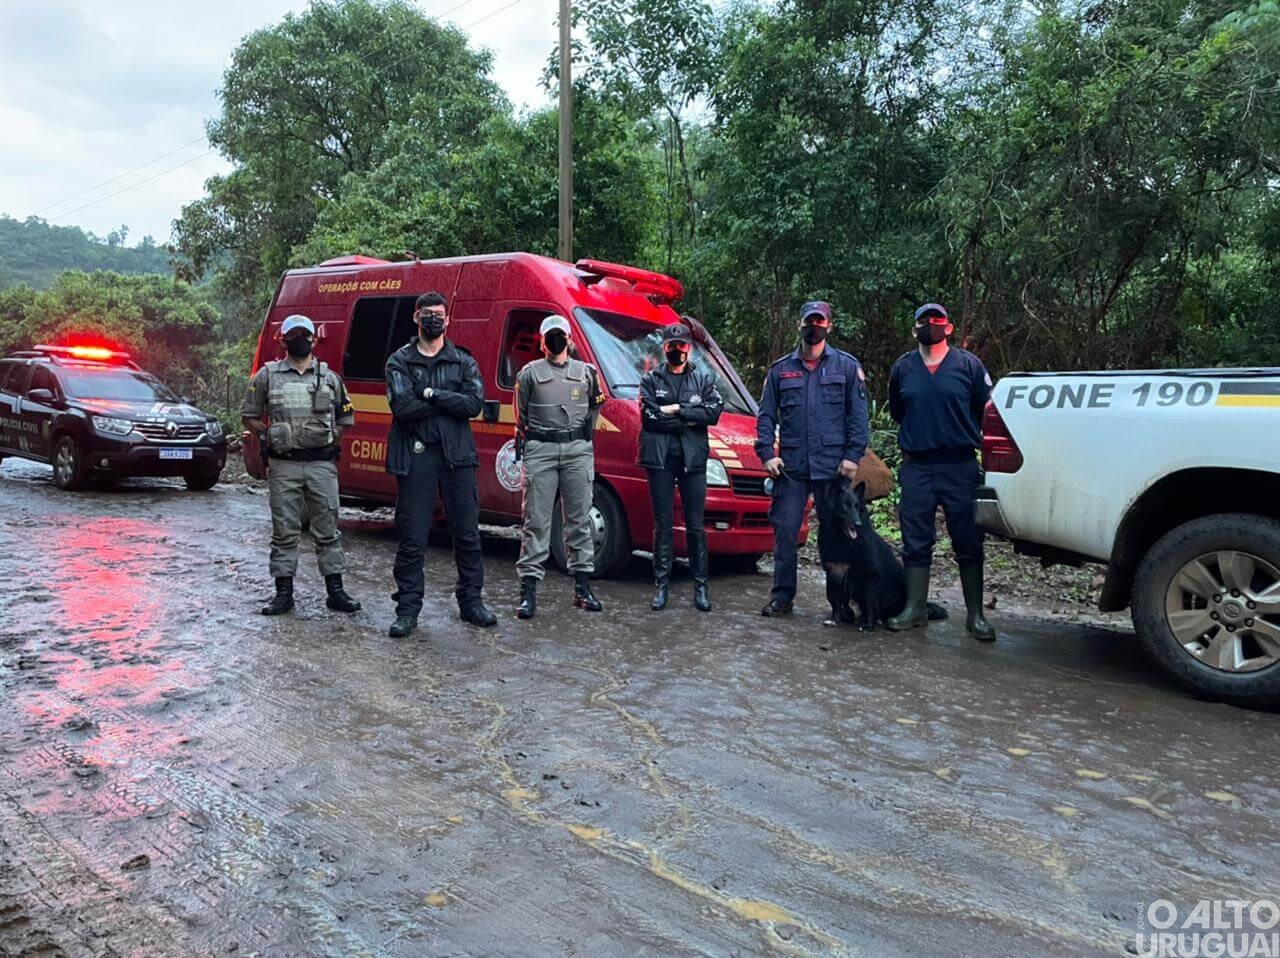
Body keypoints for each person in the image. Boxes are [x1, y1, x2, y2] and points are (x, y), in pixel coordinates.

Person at [384, 292, 497, 638]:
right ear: (416, 317)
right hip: (415, 456)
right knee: (413, 537)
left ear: (449, 321)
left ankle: (471, 602)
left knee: (466, 533)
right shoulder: (398, 361)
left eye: (439, 315)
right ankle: (407, 610)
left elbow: (474, 404)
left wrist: (430, 394)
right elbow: (402, 408)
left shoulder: (463, 361)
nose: (434, 319)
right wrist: (450, 401)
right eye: (427, 314)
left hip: (457, 455)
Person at [885, 303, 996, 640]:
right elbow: (899, 410)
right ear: (914, 328)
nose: (929, 326)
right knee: (915, 540)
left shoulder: (969, 366)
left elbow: (985, 409)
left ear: (949, 327)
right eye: (923, 321)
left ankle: (975, 616)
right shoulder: (903, 368)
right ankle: (915, 608)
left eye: (936, 321)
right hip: (917, 466)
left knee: (968, 539)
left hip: (960, 465)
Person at [242, 314, 361, 617]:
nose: (300, 339)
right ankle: (284, 594)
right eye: (293, 334)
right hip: (284, 466)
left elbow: (346, 417)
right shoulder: (266, 376)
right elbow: (250, 415)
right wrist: (267, 434)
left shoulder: (330, 378)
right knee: (284, 531)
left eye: (305, 334)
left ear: (314, 339)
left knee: (328, 529)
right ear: (282, 340)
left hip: (322, 464)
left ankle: (335, 591)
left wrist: (331, 436)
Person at [755, 301, 869, 617]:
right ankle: (782, 597)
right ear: (799, 324)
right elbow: (765, 416)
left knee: (838, 537)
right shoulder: (780, 370)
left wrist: (853, 455)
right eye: (809, 322)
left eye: (820, 323)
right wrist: (766, 453)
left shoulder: (846, 367)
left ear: (829, 326)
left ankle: (841, 603)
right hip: (791, 468)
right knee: (785, 532)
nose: (814, 327)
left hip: (833, 468)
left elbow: (858, 417)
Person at [513, 315, 604, 618]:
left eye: (560, 335)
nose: (556, 340)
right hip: (541, 448)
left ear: (569, 338)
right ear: (542, 341)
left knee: (580, 519)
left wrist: (578, 436)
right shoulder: (528, 374)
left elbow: (594, 408)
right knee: (536, 520)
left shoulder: (587, 374)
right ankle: (528, 591)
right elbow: (521, 414)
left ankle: (582, 588)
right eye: (550, 336)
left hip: (578, 449)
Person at [638, 322, 724, 612]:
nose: (677, 350)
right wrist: (689, 419)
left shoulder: (703, 377)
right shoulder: (651, 378)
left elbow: (713, 413)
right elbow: (649, 416)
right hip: (660, 459)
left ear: (690, 348)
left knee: (696, 526)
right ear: (664, 348)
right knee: (662, 524)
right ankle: (661, 586)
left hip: (693, 459)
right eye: (672, 346)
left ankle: (701, 587)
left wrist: (676, 410)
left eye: (682, 345)